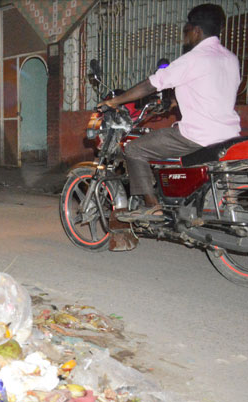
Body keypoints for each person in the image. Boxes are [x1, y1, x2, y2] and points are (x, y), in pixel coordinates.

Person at [99, 3, 240, 251]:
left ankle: (153, 206)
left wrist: (114, 100)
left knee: (134, 149)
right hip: (229, 134)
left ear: (195, 30)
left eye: (187, 29)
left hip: (198, 135)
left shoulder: (193, 58)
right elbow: (212, 91)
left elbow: (151, 85)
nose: (186, 33)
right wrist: (176, 100)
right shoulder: (230, 58)